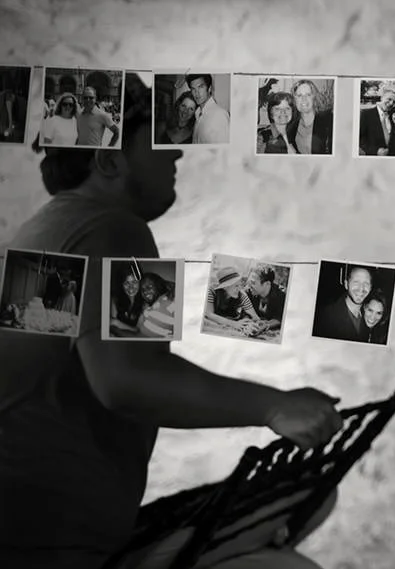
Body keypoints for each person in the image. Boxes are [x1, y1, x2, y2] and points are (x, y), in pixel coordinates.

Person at [0, 75, 343, 568]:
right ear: (110, 160)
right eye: (159, 141)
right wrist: (275, 406)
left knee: (304, 498)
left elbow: (129, 369)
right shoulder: (113, 227)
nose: (177, 154)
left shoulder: (44, 229)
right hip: (51, 551)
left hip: (31, 538)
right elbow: (128, 379)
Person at [314, 265, 378, 343]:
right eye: (356, 282)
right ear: (346, 284)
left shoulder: (370, 316)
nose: (361, 288)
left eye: (366, 283)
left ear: (370, 288)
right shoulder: (326, 317)